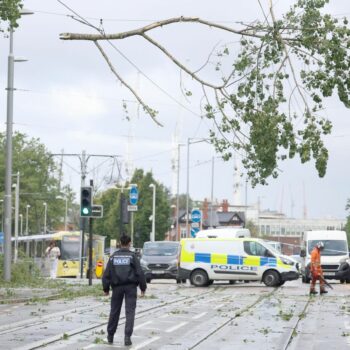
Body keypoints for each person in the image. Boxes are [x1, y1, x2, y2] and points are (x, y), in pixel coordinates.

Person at [102, 235, 147, 346]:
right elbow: (139, 272)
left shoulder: (113, 257)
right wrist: (143, 288)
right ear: (130, 243)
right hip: (131, 288)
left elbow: (106, 274)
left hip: (116, 288)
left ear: (119, 243)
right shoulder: (132, 257)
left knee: (114, 312)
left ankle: (110, 336)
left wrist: (106, 288)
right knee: (130, 312)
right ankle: (127, 337)